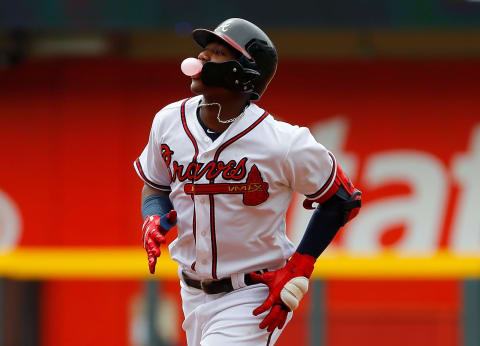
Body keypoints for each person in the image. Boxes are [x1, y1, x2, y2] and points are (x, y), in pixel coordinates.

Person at [134, 18, 361, 346]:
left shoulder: (283, 142)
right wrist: (152, 215)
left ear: (243, 73)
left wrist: (298, 268)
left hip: (252, 295)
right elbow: (156, 184)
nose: (202, 59)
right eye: (204, 51)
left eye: (217, 52)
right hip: (191, 293)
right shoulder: (168, 121)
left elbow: (343, 198)